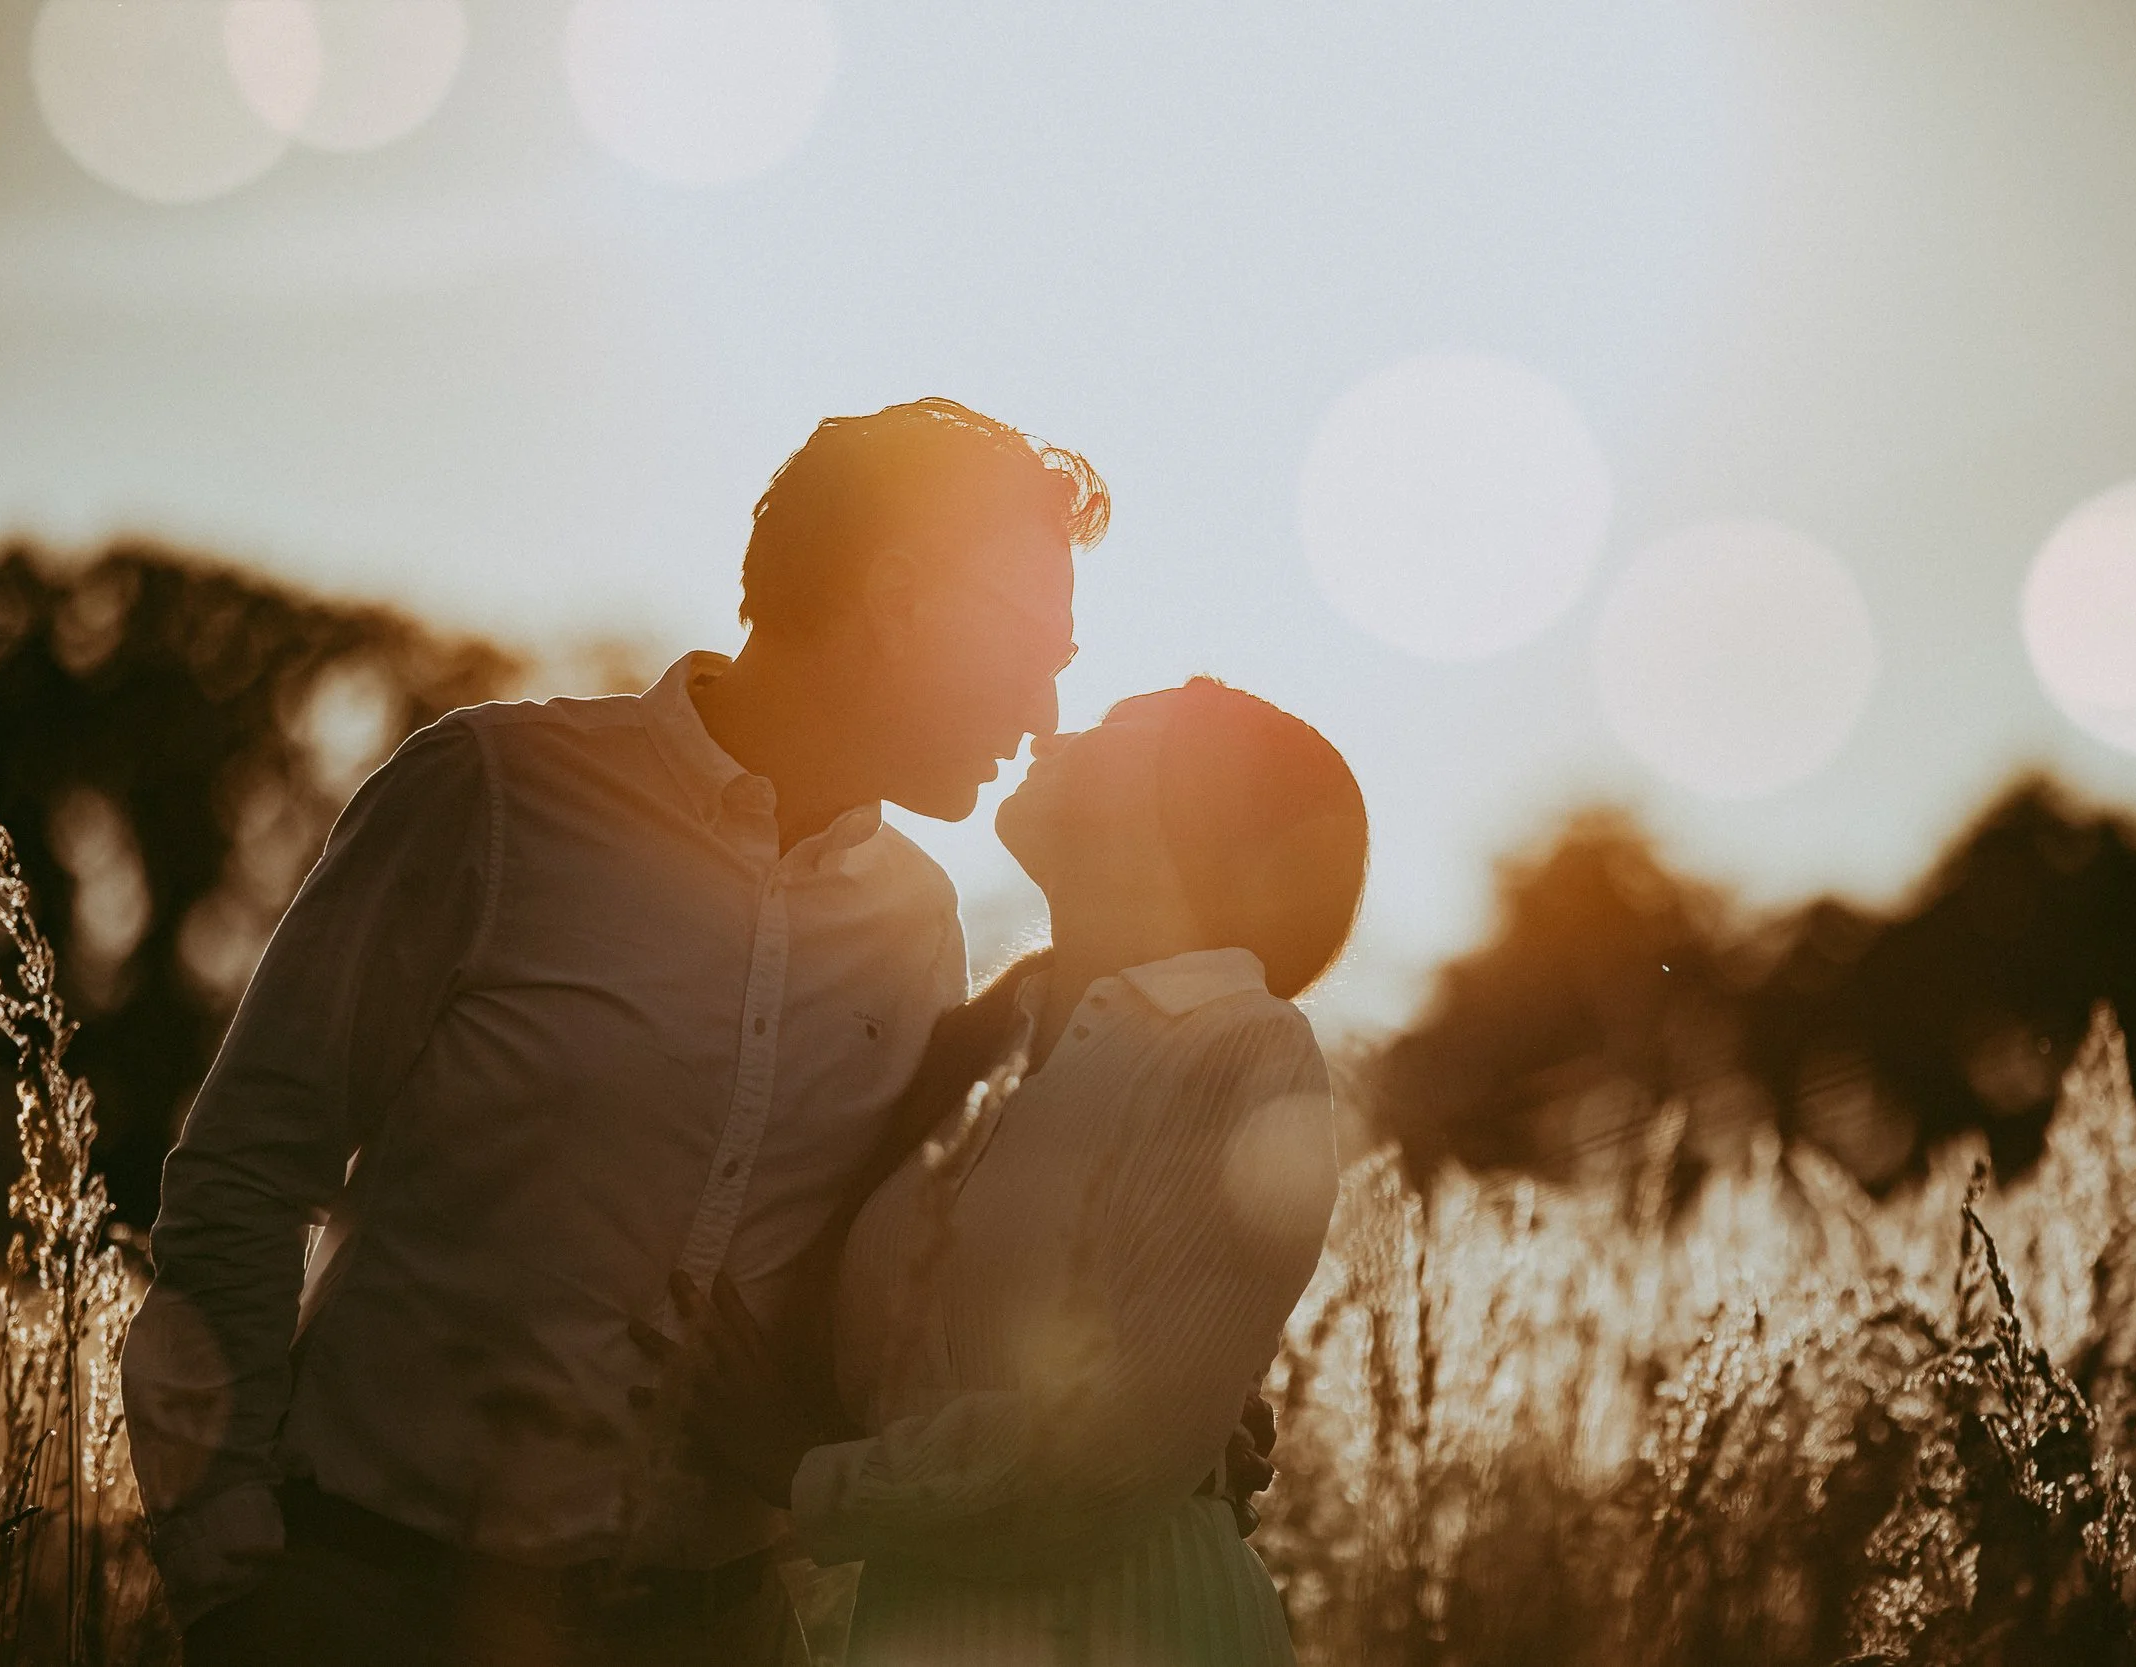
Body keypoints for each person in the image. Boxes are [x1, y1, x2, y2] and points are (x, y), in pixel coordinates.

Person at [122, 399, 1286, 1666]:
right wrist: (227, 1563)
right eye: (1031, 647)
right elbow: (245, 1169)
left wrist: (1149, 1400)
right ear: (903, 598)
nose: (1049, 710)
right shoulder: (492, 798)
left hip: (708, 1631)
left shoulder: (919, 924)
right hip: (372, 1605)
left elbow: (897, 1285)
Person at [668, 677, 1368, 1665]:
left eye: (1119, 727)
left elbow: (1106, 1454)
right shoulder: (975, 1046)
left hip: (1132, 1623)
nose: (1050, 727)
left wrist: (800, 1469)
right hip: (919, 1623)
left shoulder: (1241, 1045)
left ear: (1198, 805)